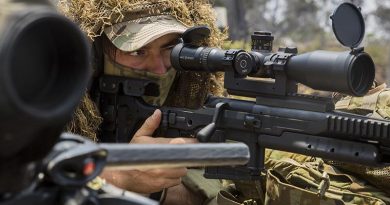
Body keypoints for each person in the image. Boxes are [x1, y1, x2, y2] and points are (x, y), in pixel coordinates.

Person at [59, 0, 227, 204]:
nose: (159, 69)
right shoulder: (47, 105)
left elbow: (203, 190)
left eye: (170, 49)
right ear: (94, 56)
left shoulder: (196, 106)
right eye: (137, 51)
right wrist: (117, 177)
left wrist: (154, 190)